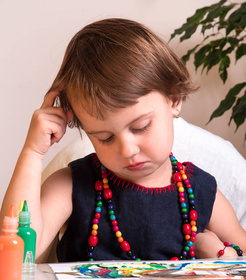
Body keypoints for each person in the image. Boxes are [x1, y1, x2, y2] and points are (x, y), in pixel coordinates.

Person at [1, 18, 245, 262]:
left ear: (174, 99)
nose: (127, 149)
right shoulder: (72, 185)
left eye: (141, 127)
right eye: (105, 138)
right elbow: (18, 254)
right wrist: (33, 152)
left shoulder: (201, 191)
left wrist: (224, 255)